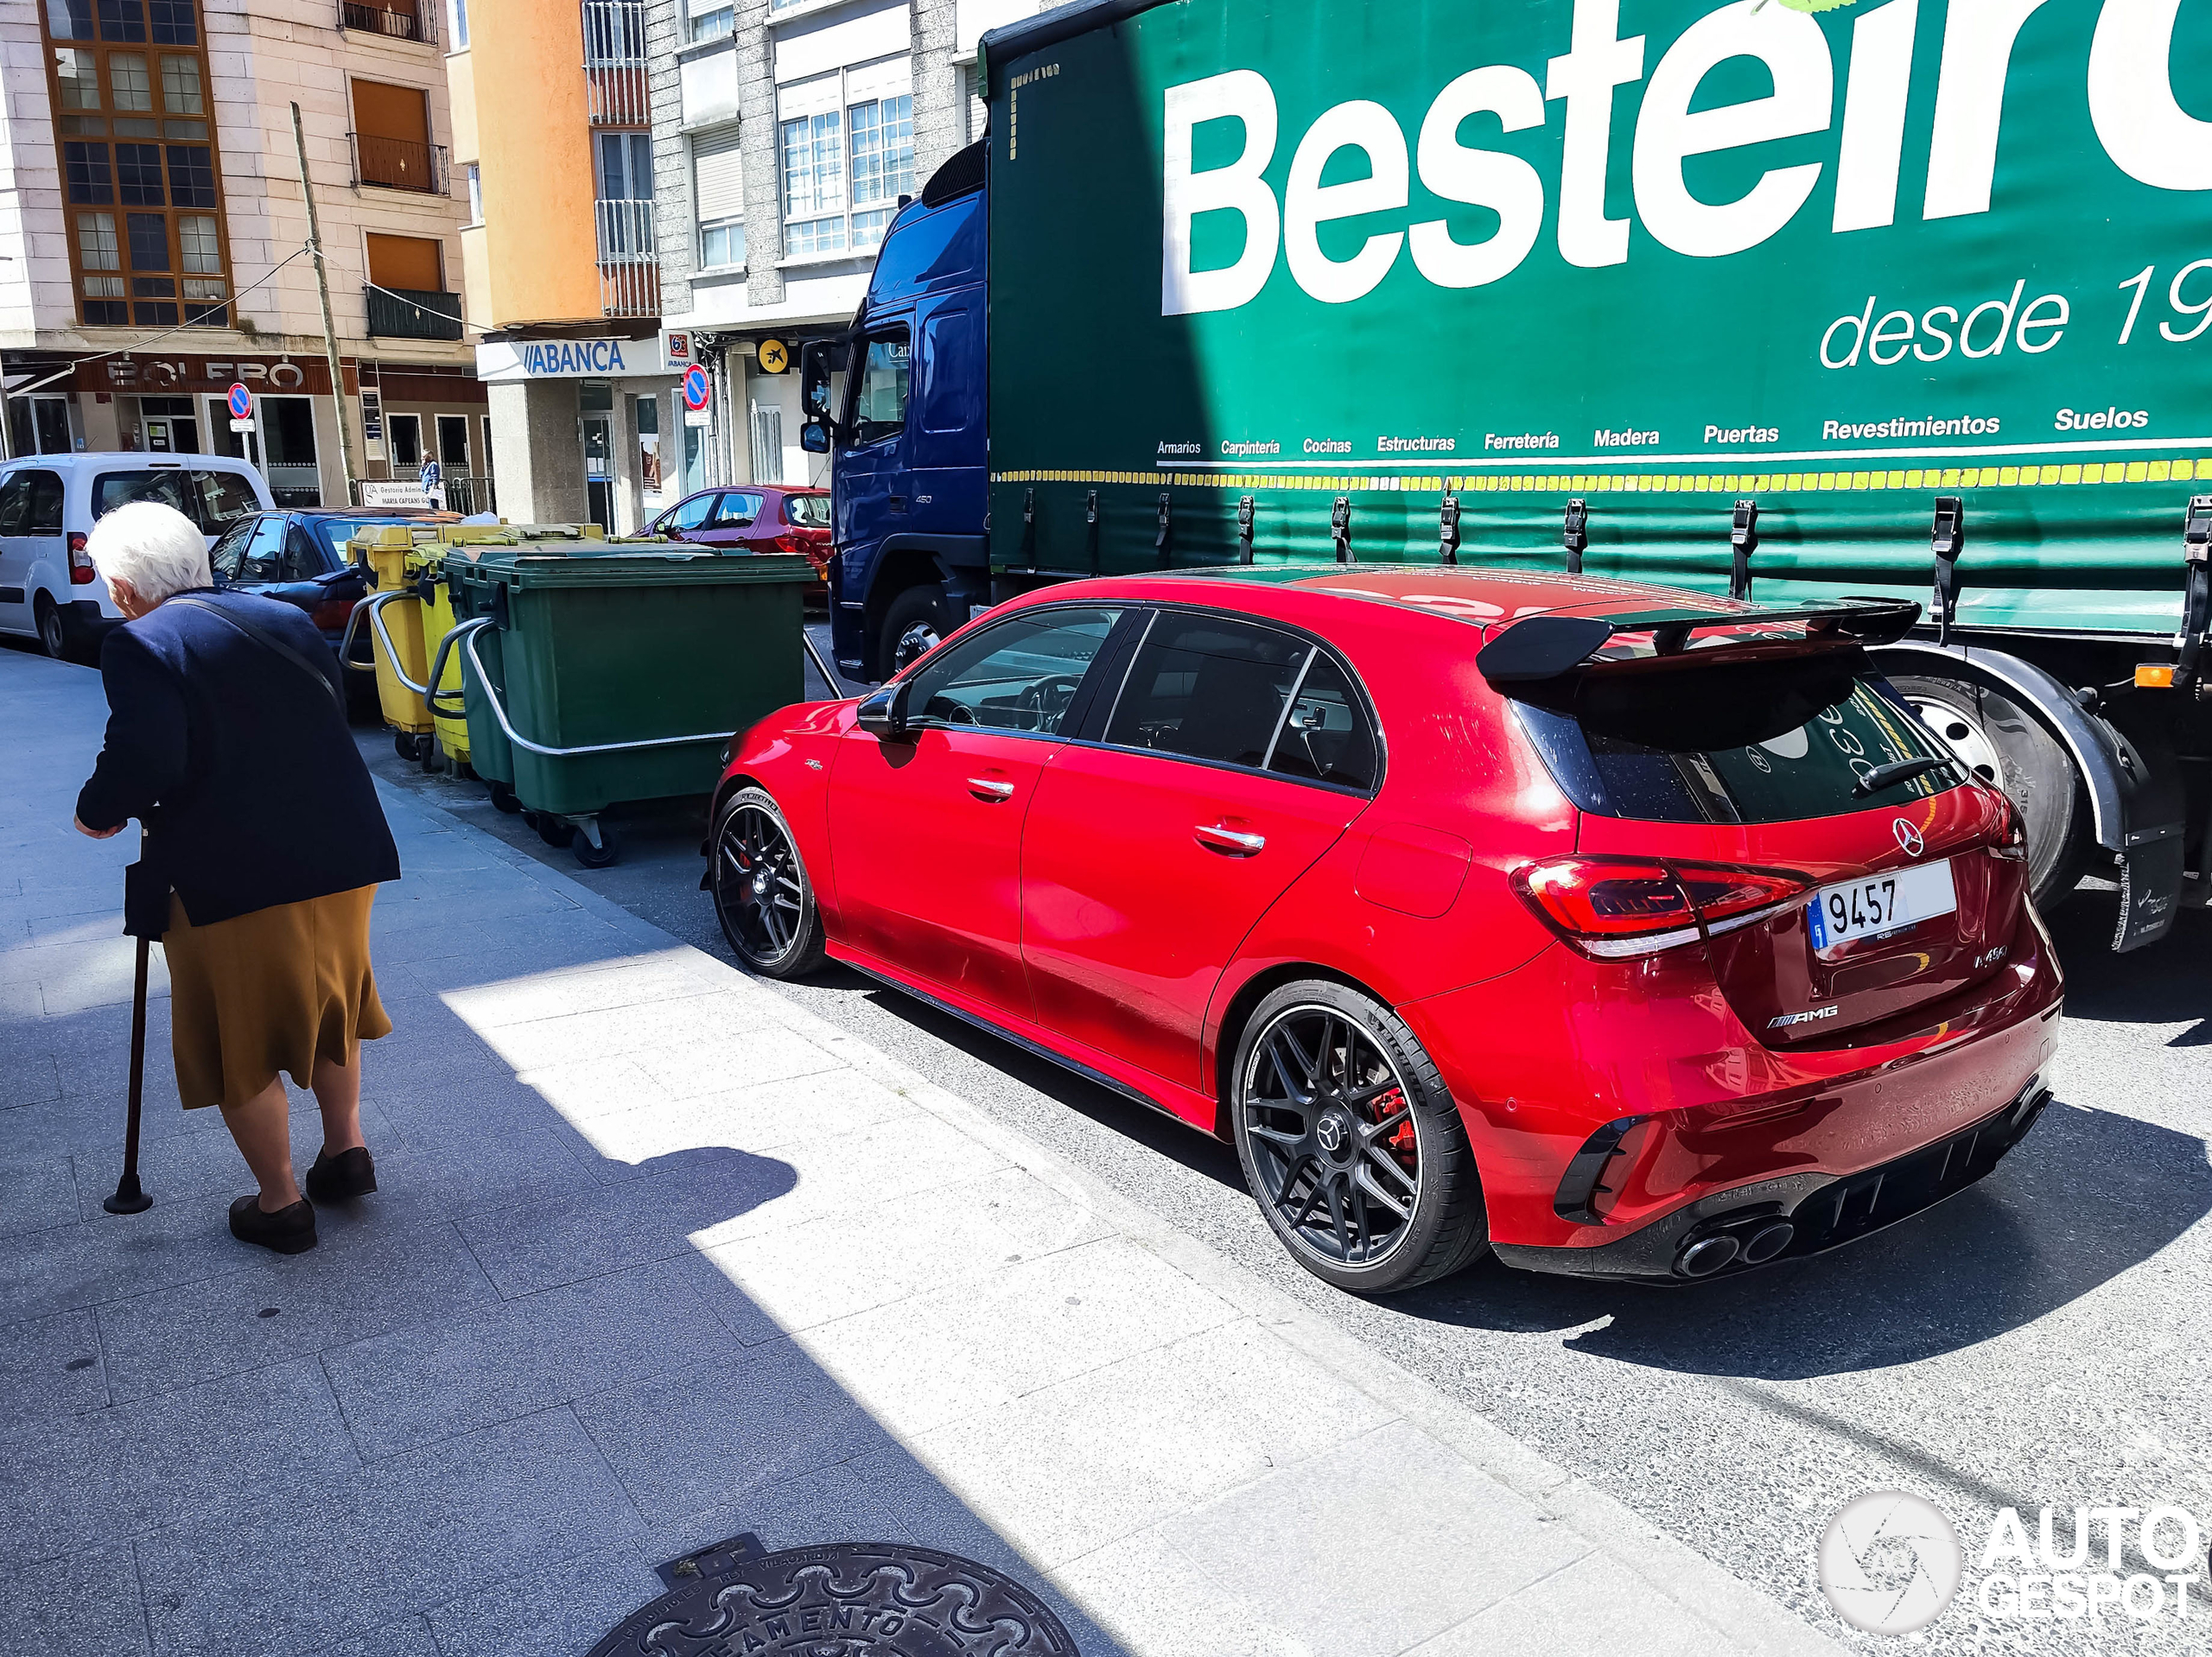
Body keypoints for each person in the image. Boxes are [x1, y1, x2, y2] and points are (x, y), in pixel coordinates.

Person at [73, 501, 402, 1254]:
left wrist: (97, 810)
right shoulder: (284, 618)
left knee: (240, 1035)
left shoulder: (141, 642)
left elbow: (146, 754)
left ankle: (280, 1204)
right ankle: (345, 1152)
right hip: (342, 850)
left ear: (122, 588)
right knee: (330, 1003)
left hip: (235, 871)